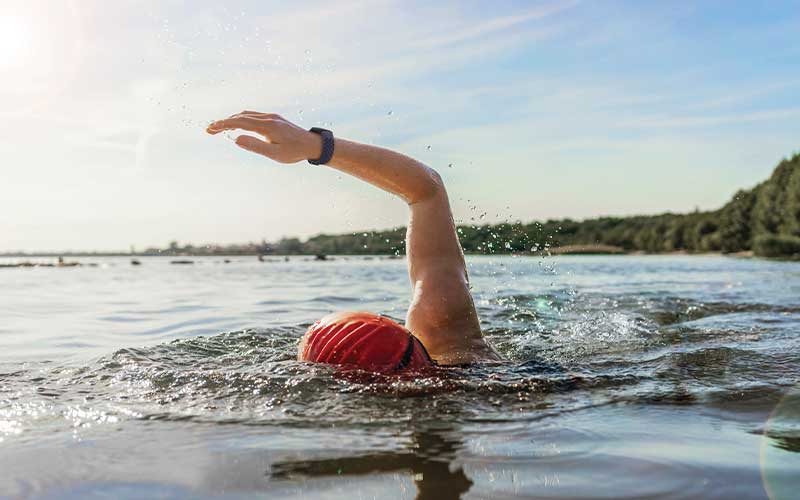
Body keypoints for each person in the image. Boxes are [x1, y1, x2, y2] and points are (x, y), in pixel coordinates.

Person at [207, 111, 501, 370]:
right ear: (406, 339)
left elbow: (427, 193)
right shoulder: (452, 341)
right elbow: (427, 190)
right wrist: (315, 146)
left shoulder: (449, 342)